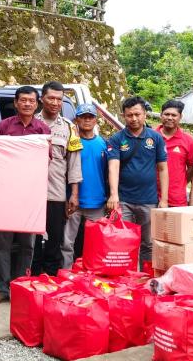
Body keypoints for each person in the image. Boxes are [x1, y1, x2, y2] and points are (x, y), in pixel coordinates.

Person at [0, 86, 51, 307]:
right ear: (16, 103)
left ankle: (21, 287)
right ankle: (2, 288)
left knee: (27, 246)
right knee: (2, 245)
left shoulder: (42, 129)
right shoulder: (4, 126)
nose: (27, 104)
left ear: (37, 104)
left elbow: (46, 160)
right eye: (23, 100)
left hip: (30, 196)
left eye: (31, 101)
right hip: (5, 194)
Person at [106, 96, 169, 266]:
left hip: (148, 200)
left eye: (137, 114)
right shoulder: (116, 139)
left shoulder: (155, 138)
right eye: (129, 115)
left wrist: (164, 199)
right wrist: (113, 195)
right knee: (122, 240)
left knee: (148, 243)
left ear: (145, 115)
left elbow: (163, 169)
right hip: (124, 200)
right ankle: (125, 275)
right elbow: (113, 167)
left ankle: (145, 275)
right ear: (123, 116)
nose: (134, 118)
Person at [32, 81, 82, 276]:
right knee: (32, 241)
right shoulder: (31, 122)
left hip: (56, 193)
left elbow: (74, 163)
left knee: (55, 239)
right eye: (51, 98)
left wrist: (74, 194)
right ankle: (33, 277)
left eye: (59, 99)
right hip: (31, 194)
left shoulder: (69, 128)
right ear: (42, 99)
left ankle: (51, 278)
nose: (55, 103)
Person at [62, 103, 107, 269]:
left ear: (96, 120)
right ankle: (66, 272)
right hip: (73, 201)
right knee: (67, 242)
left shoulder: (103, 144)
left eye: (90, 117)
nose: (87, 120)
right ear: (76, 120)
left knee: (97, 243)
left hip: (97, 202)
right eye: (83, 117)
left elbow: (108, 173)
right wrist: (66, 197)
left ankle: (93, 274)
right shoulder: (71, 142)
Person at [154, 100, 193, 207]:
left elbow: (192, 167)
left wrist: (181, 182)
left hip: (176, 198)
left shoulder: (189, 141)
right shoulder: (151, 137)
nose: (169, 118)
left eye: (174, 115)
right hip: (150, 197)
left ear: (180, 117)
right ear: (161, 115)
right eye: (166, 114)